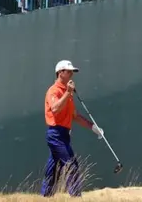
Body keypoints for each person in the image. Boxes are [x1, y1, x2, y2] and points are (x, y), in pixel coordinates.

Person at [41, 60, 104, 197]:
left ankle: (46, 195)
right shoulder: (54, 91)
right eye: (68, 71)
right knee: (71, 164)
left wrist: (93, 128)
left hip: (64, 135)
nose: (71, 74)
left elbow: (74, 116)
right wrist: (67, 93)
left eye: (72, 72)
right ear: (60, 73)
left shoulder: (67, 93)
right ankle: (76, 196)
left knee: (53, 168)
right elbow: (55, 109)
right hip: (55, 134)